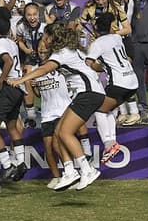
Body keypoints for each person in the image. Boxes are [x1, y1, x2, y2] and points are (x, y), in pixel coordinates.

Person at [9, 24, 103, 192]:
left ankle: (88, 170)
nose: (43, 40)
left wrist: (21, 80)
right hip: (88, 93)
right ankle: (69, 171)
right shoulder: (72, 50)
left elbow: (45, 68)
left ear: (52, 38)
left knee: (65, 133)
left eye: (45, 37)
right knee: (59, 131)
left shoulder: (62, 53)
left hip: (88, 93)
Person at [84, 12, 138, 163]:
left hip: (118, 83)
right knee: (110, 109)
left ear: (96, 28)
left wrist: (93, 60)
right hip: (132, 82)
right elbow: (107, 63)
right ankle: (112, 141)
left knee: (99, 110)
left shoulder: (97, 44)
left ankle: (108, 145)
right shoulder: (117, 38)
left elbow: (88, 63)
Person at [0, 6, 29, 183]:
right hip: (18, 89)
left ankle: (8, 166)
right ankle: (22, 162)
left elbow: (8, 61)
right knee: (12, 127)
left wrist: (0, 80)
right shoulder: (10, 42)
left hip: (6, 88)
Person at [30, 38, 77, 190]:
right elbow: (38, 95)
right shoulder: (36, 70)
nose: (42, 50)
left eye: (45, 47)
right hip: (46, 113)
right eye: (39, 47)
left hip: (62, 111)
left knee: (57, 145)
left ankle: (70, 173)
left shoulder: (59, 67)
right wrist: (34, 86)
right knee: (48, 147)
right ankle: (56, 177)